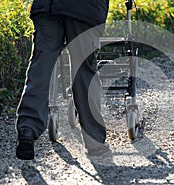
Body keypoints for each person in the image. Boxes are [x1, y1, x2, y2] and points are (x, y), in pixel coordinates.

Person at [16, 0, 110, 160]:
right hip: (85, 9)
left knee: (41, 67)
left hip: (48, 7)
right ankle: (94, 140)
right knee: (84, 72)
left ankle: (28, 129)